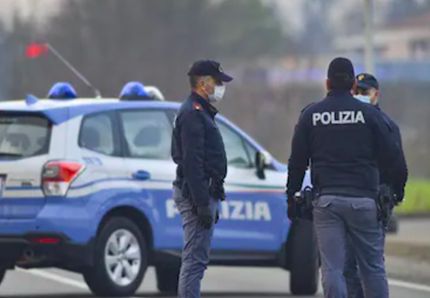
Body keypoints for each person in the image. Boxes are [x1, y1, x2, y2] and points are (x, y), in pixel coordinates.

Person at [286, 57, 408, 298]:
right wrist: (396, 191)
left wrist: (291, 196)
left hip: (327, 201)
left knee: (333, 269)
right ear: (353, 85)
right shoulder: (371, 115)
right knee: (372, 268)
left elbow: (297, 162)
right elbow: (394, 158)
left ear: (327, 83)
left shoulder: (311, 115)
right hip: (364, 201)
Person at [171, 59, 233, 298]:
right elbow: (192, 162)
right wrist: (200, 203)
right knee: (194, 261)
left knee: (197, 259)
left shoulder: (199, 111)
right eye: (217, 82)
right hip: (198, 193)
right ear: (203, 84)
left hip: (205, 192)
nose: (220, 87)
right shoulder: (193, 115)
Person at [344, 73, 408, 298]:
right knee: (348, 266)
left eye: (364, 92)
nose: (359, 96)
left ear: (376, 95)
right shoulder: (347, 124)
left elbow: (398, 165)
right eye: (356, 91)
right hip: (350, 198)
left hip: (375, 201)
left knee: (370, 266)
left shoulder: (385, 124)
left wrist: (394, 195)